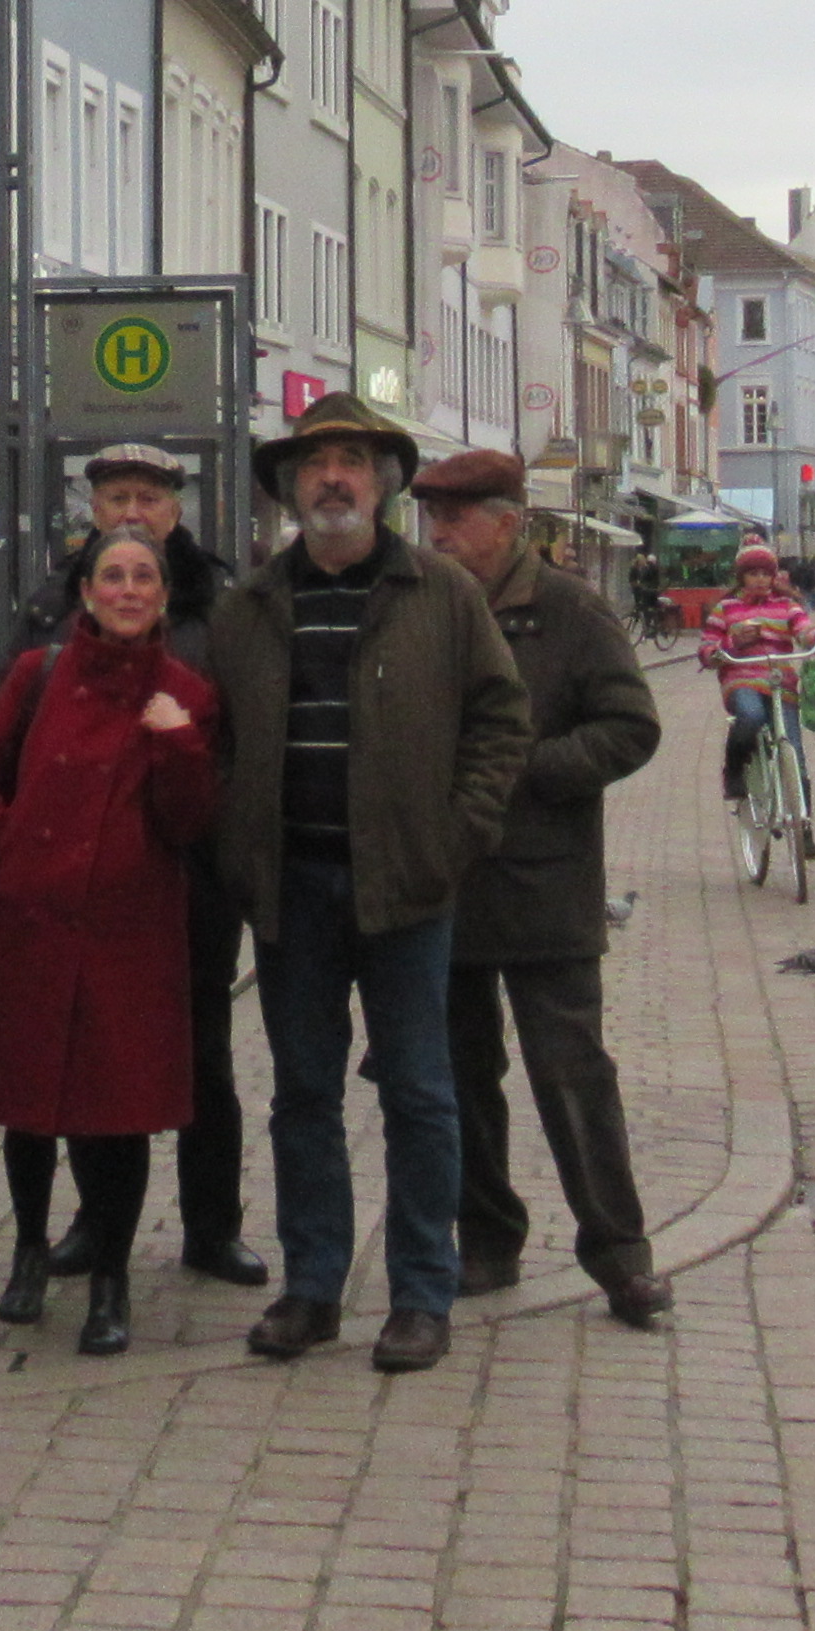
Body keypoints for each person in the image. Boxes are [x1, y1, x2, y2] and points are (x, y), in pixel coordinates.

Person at [209, 390, 529, 1376]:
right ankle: (312, 1289)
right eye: (315, 464)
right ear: (290, 487)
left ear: (384, 484)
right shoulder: (250, 604)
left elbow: (500, 720)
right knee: (302, 1094)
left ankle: (421, 1295)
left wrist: (454, 837)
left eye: (351, 463)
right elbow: (218, 740)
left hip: (406, 887)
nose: (333, 480)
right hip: (293, 887)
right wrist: (237, 844)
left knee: (420, 1095)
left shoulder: (442, 593)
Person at [412, 451, 671, 1328]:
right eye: (432, 519)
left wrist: (524, 769)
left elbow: (630, 726)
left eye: (455, 519)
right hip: (446, 882)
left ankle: (621, 1255)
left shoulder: (568, 609)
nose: (439, 535)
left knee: (570, 1074)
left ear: (507, 522)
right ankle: (487, 1242)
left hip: (544, 882)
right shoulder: (422, 606)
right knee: (460, 1075)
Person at [0, 527, 219, 1357]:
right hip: (32, 919)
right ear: (87, 594)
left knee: (116, 1117)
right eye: (113, 576)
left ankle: (111, 1280)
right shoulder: (39, 673)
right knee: (28, 1103)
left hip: (127, 934)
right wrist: (9, 847)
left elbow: (189, 823)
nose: (128, 590)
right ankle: (30, 1250)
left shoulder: (185, 693)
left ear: (164, 597)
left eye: (144, 578)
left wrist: (177, 741)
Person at [30, 443, 263, 1289]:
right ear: (92, 510)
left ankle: (212, 1225)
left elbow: (244, 734)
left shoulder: (219, 604)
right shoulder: (57, 599)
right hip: (90, 878)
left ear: (176, 508)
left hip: (191, 873)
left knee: (203, 1053)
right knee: (93, 1051)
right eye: (116, 497)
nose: (132, 511)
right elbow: (13, 721)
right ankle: (96, 1222)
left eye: (149, 497)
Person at [695, 541, 815, 806]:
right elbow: (707, 648)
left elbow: (803, 629)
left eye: (766, 574)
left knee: (793, 747)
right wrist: (732, 644)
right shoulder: (726, 608)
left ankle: (804, 820)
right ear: (741, 576)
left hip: (780, 681)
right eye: (753, 573)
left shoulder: (787, 606)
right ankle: (734, 769)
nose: (760, 579)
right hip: (742, 678)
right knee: (751, 715)